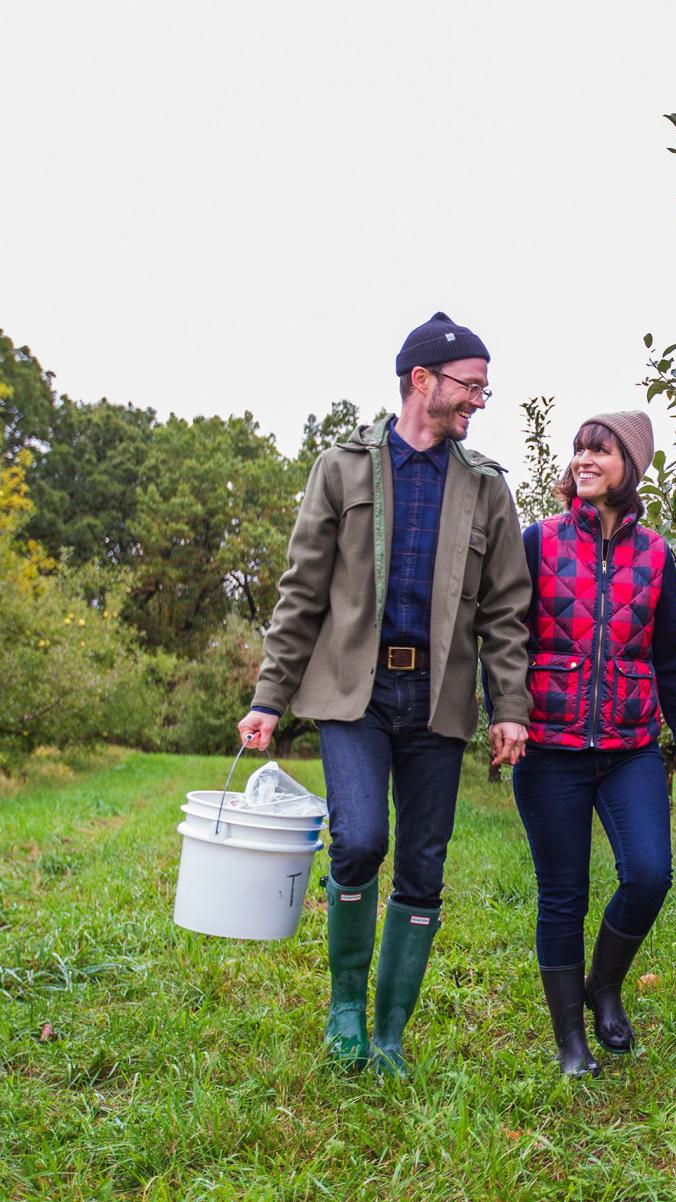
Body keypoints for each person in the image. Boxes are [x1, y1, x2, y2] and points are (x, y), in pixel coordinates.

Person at [237, 312, 532, 1077]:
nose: (478, 401)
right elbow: (302, 590)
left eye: (484, 391)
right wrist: (269, 698)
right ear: (421, 379)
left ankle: (390, 1034)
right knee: (361, 838)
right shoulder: (342, 469)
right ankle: (344, 1010)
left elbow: (505, 612)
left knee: (424, 867)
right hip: (354, 696)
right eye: (471, 386)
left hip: (437, 701)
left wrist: (510, 710)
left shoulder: (487, 489)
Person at [514, 411, 676, 1078]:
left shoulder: (655, 555)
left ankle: (605, 985)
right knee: (562, 894)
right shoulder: (538, 541)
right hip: (549, 747)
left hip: (629, 747)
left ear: (631, 465)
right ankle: (571, 1043)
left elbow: (669, 653)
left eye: (600, 449)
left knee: (650, 874)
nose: (583, 459)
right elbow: (506, 641)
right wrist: (505, 714)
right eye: (579, 449)